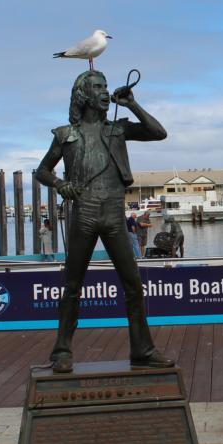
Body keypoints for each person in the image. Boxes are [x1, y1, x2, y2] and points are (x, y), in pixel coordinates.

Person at [36, 69, 174, 373]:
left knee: (133, 284)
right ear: (83, 94)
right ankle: (62, 351)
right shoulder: (66, 135)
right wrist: (60, 185)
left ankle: (143, 350)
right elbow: (42, 171)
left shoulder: (117, 129)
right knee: (72, 285)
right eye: (97, 87)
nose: (104, 92)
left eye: (106, 86)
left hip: (113, 212)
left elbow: (158, 132)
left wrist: (132, 104)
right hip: (84, 212)